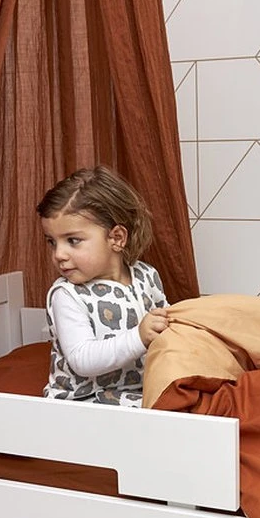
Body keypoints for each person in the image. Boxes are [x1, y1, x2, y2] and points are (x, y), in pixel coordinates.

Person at [36, 166, 169, 406]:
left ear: (116, 238)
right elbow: (82, 360)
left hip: (139, 389)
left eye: (72, 241)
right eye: (52, 242)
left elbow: (166, 322)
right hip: (83, 400)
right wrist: (139, 337)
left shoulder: (146, 276)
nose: (59, 254)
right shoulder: (67, 295)